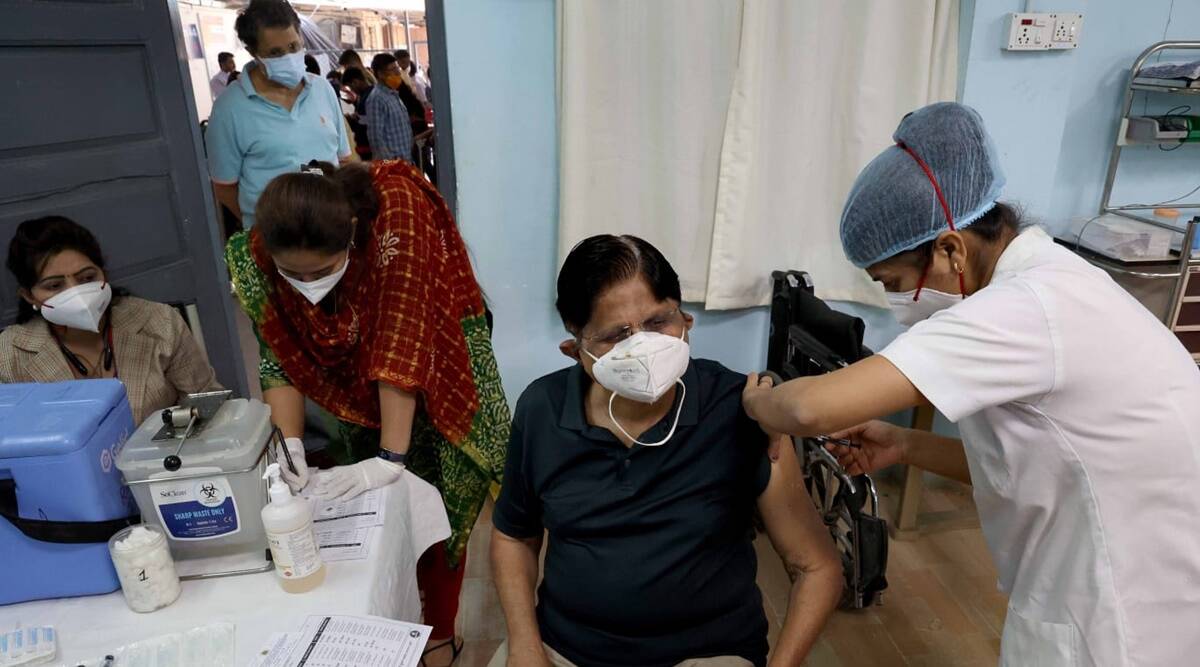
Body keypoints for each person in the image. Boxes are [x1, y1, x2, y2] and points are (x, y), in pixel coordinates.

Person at [742, 102, 1200, 666]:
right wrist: (905, 444)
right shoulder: (1053, 279)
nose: (896, 303)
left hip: (1125, 603)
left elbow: (811, 409)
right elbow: (1041, 462)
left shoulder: (1023, 309)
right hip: (1139, 558)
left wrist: (758, 400)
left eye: (894, 283)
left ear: (951, 248)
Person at [489, 235, 842, 667]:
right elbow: (513, 535)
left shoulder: (741, 411)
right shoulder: (542, 410)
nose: (642, 346)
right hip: (567, 650)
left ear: (686, 321)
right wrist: (525, 646)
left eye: (659, 322)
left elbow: (816, 568)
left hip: (707, 653)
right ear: (575, 350)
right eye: (615, 336)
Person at [224, 160, 509, 666]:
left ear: (353, 235)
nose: (308, 284)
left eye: (322, 270)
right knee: (372, 508)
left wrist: (389, 459)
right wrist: (288, 442)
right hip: (357, 371)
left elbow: (401, 343)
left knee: (439, 499)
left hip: (437, 354)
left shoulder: (398, 220)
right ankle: (395, 624)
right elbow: (278, 352)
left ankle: (440, 633)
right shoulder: (257, 257)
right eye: (296, 273)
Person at [0, 216, 222, 425]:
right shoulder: (9, 354)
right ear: (29, 296)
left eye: (87, 278)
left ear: (103, 274)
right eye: (55, 286)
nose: (77, 294)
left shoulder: (158, 322)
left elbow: (209, 403)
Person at [205, 0, 352, 228]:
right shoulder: (229, 109)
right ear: (253, 52)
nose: (288, 57)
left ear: (301, 38)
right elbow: (224, 187)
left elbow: (343, 158)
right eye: (275, 53)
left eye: (293, 47)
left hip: (331, 232)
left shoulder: (322, 90)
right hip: (272, 242)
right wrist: (264, 227)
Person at [366, 53, 413, 163]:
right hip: (392, 165)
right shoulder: (376, 98)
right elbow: (376, 137)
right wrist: (389, 163)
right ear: (380, 74)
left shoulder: (393, 94)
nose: (398, 72)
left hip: (405, 160)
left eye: (397, 68)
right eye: (392, 69)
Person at [341, 67, 372, 161]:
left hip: (369, 148)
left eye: (350, 87)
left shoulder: (369, 97)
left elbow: (371, 122)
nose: (352, 90)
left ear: (355, 82)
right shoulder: (363, 97)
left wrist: (353, 120)